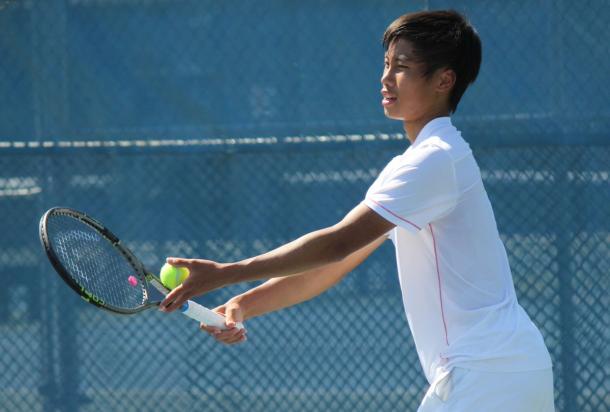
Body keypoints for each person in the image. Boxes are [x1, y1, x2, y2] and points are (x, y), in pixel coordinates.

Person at [160, 10, 555, 411]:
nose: (386, 78)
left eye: (401, 67)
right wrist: (243, 303)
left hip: (485, 375)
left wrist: (228, 273)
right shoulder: (423, 162)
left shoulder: (434, 159)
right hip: (508, 370)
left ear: (443, 80)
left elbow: (336, 243)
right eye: (386, 64)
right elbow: (333, 264)